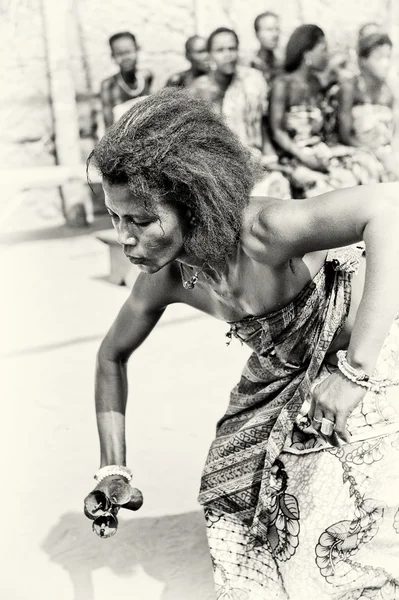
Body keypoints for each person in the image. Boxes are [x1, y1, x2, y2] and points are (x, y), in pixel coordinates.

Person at [86, 88, 399, 599]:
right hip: (280, 374)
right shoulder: (168, 277)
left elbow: (389, 207)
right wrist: (113, 468)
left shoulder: (264, 232)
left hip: (364, 353)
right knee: (229, 490)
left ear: (193, 202)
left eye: (141, 220)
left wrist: (353, 372)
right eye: (115, 217)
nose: (124, 237)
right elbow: (110, 356)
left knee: (341, 512)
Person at [269, 24, 386, 197]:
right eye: (323, 49)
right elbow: (277, 132)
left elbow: (346, 82)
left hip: (321, 151)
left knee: (366, 161)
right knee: (339, 184)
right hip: (294, 155)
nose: (326, 54)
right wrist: (303, 156)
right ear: (306, 53)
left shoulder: (317, 84)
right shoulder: (283, 84)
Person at [189, 27, 291, 199]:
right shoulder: (198, 90)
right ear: (210, 54)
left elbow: (261, 123)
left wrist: (271, 159)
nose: (227, 55)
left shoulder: (252, 80)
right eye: (220, 50)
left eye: (232, 48)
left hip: (256, 161)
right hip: (220, 168)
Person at [338, 33, 397, 181]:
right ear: (363, 61)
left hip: (388, 152)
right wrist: (375, 154)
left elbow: (396, 132)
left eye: (388, 57)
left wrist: (392, 156)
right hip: (359, 153)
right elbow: (345, 135)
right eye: (378, 58)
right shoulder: (350, 88)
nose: (385, 63)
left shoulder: (390, 91)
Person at [100, 32, 153, 128]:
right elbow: (108, 127)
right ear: (112, 56)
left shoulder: (147, 77)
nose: (125, 58)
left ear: (137, 50)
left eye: (129, 52)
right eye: (119, 54)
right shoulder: (109, 85)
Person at [250, 11, 282, 85]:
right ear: (257, 34)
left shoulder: (282, 64)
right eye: (269, 30)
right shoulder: (249, 64)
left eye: (277, 29)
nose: (275, 35)